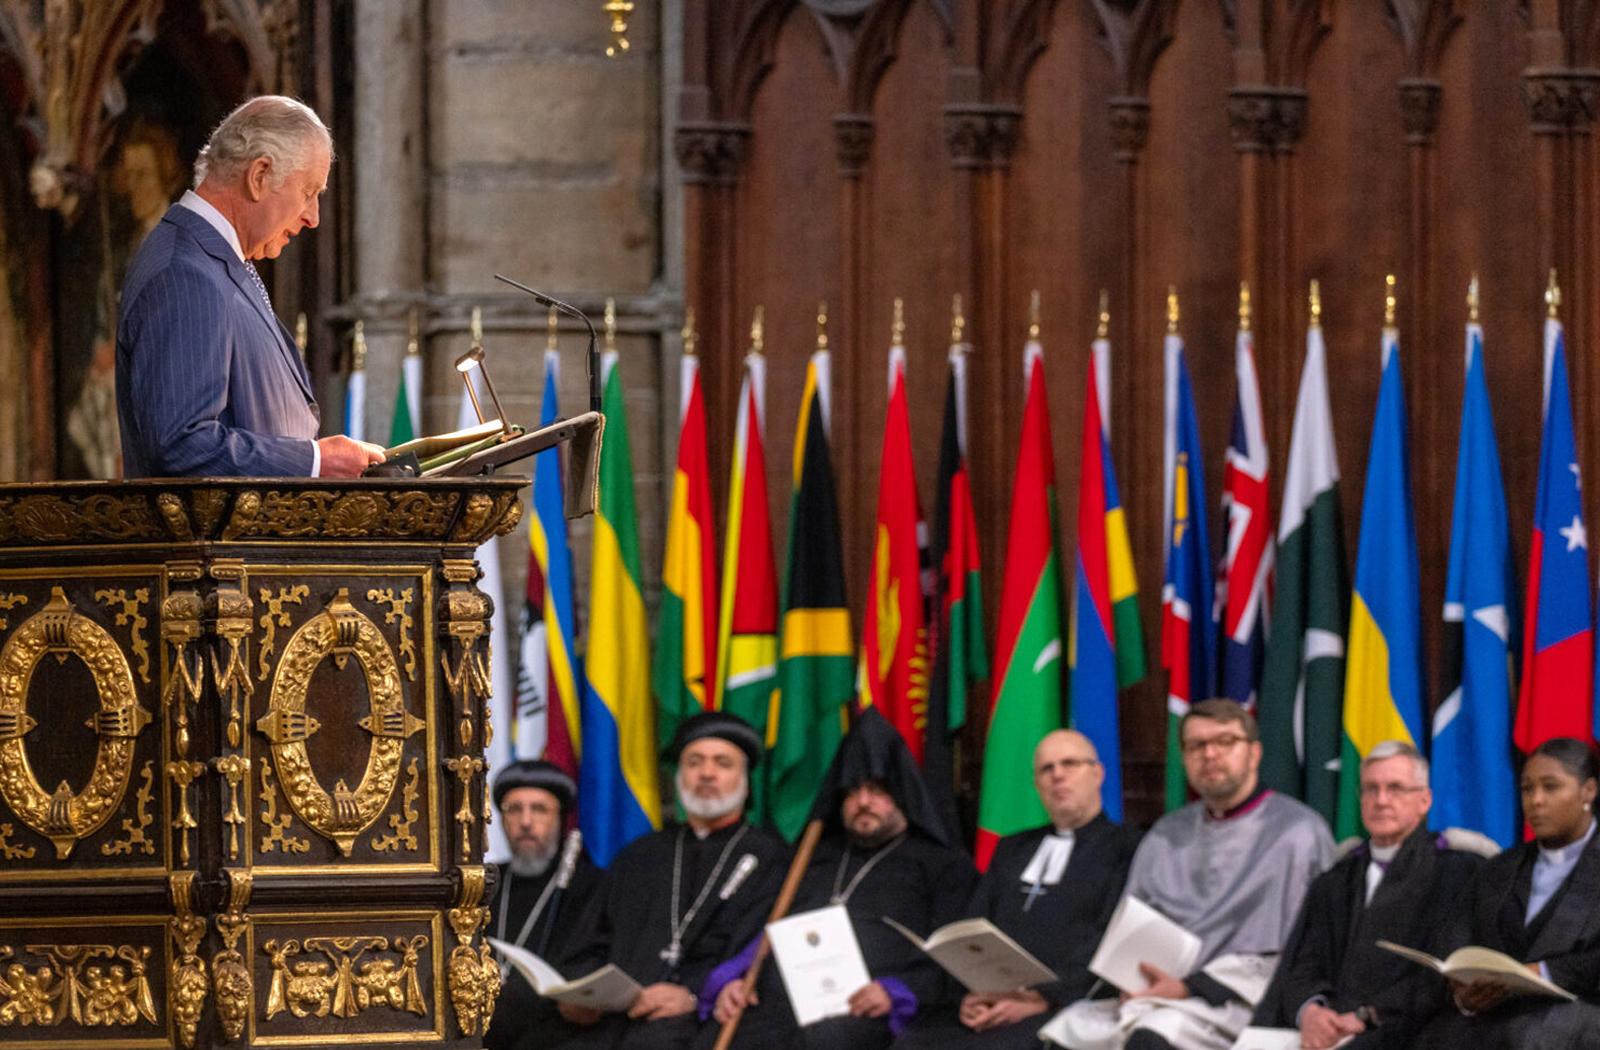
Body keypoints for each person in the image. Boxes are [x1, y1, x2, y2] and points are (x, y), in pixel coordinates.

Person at [115, 95, 384, 478]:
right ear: (259, 176)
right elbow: (181, 444)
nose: (313, 217)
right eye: (308, 193)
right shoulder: (185, 273)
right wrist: (313, 462)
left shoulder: (214, 262)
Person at [1041, 698, 1334, 1050]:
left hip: (1240, 999)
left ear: (1254, 753)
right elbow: (1131, 925)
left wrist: (1192, 987)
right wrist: (1132, 978)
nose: (1209, 754)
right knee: (1064, 1030)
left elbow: (1312, 946)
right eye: (1196, 745)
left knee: (1152, 1035)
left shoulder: (1300, 833)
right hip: (1158, 988)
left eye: (1225, 741)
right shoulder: (1165, 834)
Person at [703, 707, 978, 1050]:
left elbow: (955, 956)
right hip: (783, 1000)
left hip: (871, 1006)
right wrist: (739, 978)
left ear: (902, 794)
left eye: (877, 790)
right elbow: (767, 928)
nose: (863, 802)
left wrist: (896, 991)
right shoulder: (811, 857)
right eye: (852, 791)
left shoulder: (943, 865)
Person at [555, 712, 787, 1050]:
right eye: (694, 762)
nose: (706, 773)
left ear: (745, 780)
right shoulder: (639, 855)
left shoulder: (772, 860)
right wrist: (580, 995)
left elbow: (757, 959)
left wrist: (694, 994)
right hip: (614, 1022)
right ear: (679, 775)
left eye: (722, 763)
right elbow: (588, 945)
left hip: (705, 1024)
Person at [897, 729, 1142, 1050]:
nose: (1057, 775)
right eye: (1046, 769)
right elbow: (975, 926)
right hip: (991, 998)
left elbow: (1111, 940)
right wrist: (972, 995)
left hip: (1065, 1004)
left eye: (1069, 764)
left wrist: (1043, 999)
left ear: (1097, 774)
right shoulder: (1013, 848)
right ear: (1037, 784)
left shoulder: (1130, 848)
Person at [1252, 740, 1492, 1048]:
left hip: (1412, 1032)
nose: (1381, 800)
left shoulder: (1458, 873)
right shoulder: (1336, 879)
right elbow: (1302, 964)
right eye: (1371, 789)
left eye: (1395, 788)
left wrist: (1368, 1015)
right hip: (1326, 1030)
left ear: (1424, 800)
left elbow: (1448, 974)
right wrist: (1310, 1011)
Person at [1413, 737, 1600, 1049]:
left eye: (1550, 787)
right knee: (1433, 1037)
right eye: (1527, 789)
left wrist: (1543, 972)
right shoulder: (1499, 868)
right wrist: (1462, 992)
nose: (1535, 800)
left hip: (1580, 1014)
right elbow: (1455, 941)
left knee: (1529, 1036)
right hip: (1497, 1016)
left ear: (1588, 791)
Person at [484, 760, 603, 1050]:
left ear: (560, 819)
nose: (525, 822)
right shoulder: (485, 884)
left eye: (539, 809)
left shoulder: (592, 886)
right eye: (514, 809)